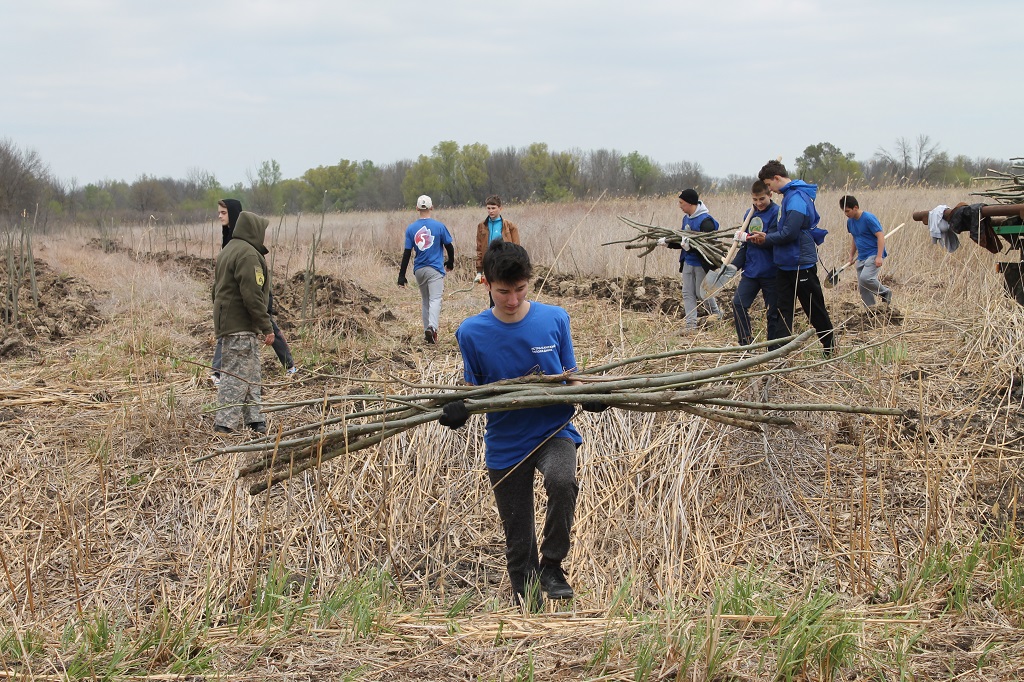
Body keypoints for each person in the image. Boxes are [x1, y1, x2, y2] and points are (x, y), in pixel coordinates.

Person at [440, 240, 604, 610]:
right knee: (518, 539)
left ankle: (553, 566)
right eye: (503, 292)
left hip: (553, 429)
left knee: (562, 481)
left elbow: (570, 375)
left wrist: (588, 395)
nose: (512, 300)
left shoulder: (555, 319)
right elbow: (475, 389)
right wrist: (459, 408)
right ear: (486, 284)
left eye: (520, 290)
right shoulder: (471, 332)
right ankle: (529, 615)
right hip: (506, 441)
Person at [747, 160, 835, 356]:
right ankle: (780, 353)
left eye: (769, 185)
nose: (770, 190)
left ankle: (830, 347)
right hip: (784, 264)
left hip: (800, 263)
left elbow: (789, 233)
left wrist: (767, 238)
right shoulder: (788, 196)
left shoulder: (796, 198)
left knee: (814, 309)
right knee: (781, 311)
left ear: (777, 178)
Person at [210, 198, 296, 384]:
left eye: (223, 213)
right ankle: (217, 373)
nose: (219, 216)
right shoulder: (233, 241)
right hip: (241, 302)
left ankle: (289, 365)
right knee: (240, 328)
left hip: (252, 293)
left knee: (266, 322)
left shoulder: (242, 242)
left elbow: (251, 289)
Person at [212, 211, 275, 434]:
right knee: (236, 374)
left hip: (231, 323)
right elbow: (252, 294)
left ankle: (255, 420)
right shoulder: (248, 255)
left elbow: (216, 290)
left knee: (251, 372)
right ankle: (224, 424)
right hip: (240, 326)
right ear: (254, 230)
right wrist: (266, 326)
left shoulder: (228, 250)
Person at [658, 189, 723, 330]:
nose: (680, 206)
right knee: (687, 293)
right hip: (688, 262)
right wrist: (668, 243)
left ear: (690, 203)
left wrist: (690, 248)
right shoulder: (686, 218)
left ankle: (717, 316)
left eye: (681, 203)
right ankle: (690, 326)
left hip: (701, 263)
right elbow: (682, 240)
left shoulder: (706, 221)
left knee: (702, 293)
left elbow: (708, 246)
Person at [730, 181, 784, 347]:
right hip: (751, 271)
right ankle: (746, 344)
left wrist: (750, 237)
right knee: (738, 303)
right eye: (755, 199)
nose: (758, 203)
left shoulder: (778, 213)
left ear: (770, 195)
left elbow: (775, 239)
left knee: (772, 313)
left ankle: (772, 350)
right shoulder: (749, 214)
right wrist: (733, 266)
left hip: (771, 271)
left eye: (762, 199)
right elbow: (745, 247)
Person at [397, 195, 455, 344]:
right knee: (435, 299)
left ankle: (427, 333)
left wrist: (401, 276)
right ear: (431, 207)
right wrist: (450, 262)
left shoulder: (411, 228)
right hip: (435, 268)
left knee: (425, 300)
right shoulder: (439, 226)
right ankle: (432, 328)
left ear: (417, 208)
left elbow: (407, 253)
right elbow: (449, 247)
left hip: (419, 270)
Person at [840, 195, 892, 309]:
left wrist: (879, 256)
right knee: (863, 287)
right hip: (861, 256)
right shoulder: (850, 222)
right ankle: (870, 310)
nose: (846, 214)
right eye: (844, 211)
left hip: (873, 253)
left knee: (866, 278)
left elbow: (880, 236)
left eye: (848, 211)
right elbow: (855, 238)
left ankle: (884, 292)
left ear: (855, 207)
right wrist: (851, 255)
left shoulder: (868, 218)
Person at [475, 195, 521, 307]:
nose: (490, 211)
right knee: (492, 291)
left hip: (506, 263)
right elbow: (479, 249)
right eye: (488, 208)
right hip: (490, 263)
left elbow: (516, 247)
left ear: (500, 208)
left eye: (493, 208)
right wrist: (479, 271)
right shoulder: (482, 226)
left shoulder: (509, 226)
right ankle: (494, 314)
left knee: (506, 289)